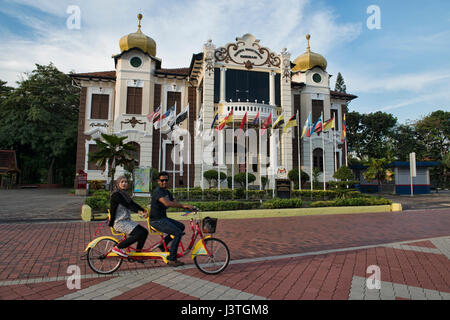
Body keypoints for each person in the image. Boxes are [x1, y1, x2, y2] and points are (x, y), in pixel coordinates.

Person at [150, 172, 194, 267]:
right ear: (158, 181)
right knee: (177, 233)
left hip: (163, 218)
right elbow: (167, 203)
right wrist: (183, 206)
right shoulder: (158, 191)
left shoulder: (166, 192)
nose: (164, 182)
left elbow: (173, 202)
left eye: (166, 180)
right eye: (162, 180)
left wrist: (187, 207)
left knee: (181, 226)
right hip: (156, 221)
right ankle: (172, 259)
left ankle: (163, 245)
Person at [109, 176, 148, 260]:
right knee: (139, 234)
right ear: (118, 183)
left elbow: (132, 203)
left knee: (144, 232)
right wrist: (139, 212)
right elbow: (128, 205)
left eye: (126, 182)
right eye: (122, 182)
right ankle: (118, 247)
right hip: (119, 222)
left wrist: (143, 210)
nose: (124, 183)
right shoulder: (116, 194)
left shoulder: (125, 194)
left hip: (126, 221)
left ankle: (137, 254)